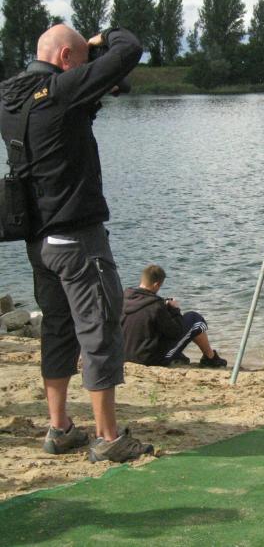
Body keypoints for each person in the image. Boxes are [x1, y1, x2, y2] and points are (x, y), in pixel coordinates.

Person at [0, 24, 152, 462]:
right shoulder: (62, 92)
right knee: (100, 330)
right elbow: (130, 48)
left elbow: (71, 112)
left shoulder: (10, 97)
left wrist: (94, 78)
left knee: (57, 330)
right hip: (77, 240)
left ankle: (60, 427)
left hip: (39, 242)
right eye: (81, 60)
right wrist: (102, 39)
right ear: (66, 58)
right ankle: (108, 437)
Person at [121, 264, 227, 368]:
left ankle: (178, 356)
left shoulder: (124, 299)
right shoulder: (156, 306)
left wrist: (165, 309)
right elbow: (176, 332)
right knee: (196, 320)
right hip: (149, 360)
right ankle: (210, 358)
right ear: (156, 285)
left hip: (124, 355)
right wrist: (175, 310)